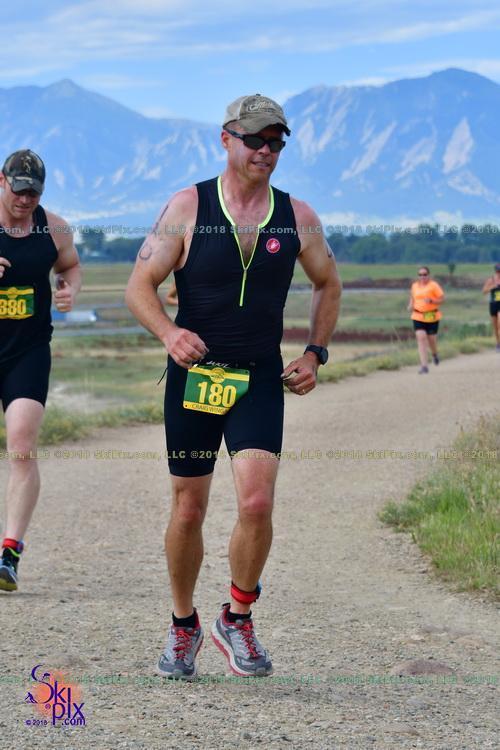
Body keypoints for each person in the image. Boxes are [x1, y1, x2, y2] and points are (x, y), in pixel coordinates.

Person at [126, 94, 341, 680]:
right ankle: (183, 624)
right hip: (195, 377)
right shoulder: (188, 206)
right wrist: (170, 333)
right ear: (227, 139)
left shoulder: (297, 216)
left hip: (258, 379)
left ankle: (237, 616)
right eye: (254, 140)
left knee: (256, 502)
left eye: (275, 142)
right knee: (189, 509)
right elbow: (139, 285)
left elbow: (328, 283)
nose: (265, 151)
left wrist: (315, 352)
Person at [0, 149, 81, 592]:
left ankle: (9, 553)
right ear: (2, 181)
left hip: (27, 351)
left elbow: (70, 265)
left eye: (33, 193)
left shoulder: (55, 228)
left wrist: (69, 289)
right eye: (18, 190)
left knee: (21, 446)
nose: (25, 200)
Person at [407, 266, 444, 374]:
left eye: (424, 274)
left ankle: (435, 354)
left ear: (428, 275)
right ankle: (424, 366)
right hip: (418, 315)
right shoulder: (414, 286)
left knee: (431, 340)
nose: (422, 277)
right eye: (420, 275)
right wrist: (410, 305)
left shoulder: (433, 285)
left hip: (431, 315)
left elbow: (442, 299)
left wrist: (432, 301)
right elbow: (413, 297)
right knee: (421, 337)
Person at [481, 263, 500, 351]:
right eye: (498, 271)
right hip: (493, 304)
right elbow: (484, 291)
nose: (499, 273)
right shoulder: (491, 280)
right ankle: (498, 343)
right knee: (495, 326)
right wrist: (492, 287)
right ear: (495, 271)